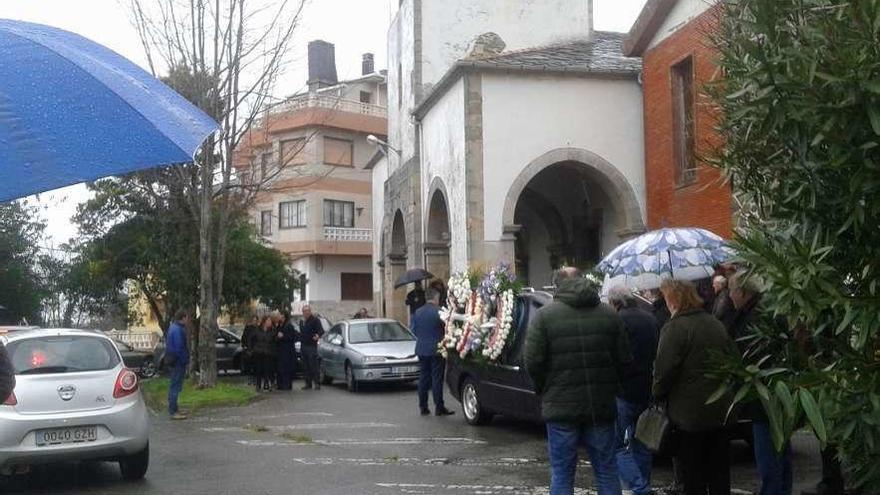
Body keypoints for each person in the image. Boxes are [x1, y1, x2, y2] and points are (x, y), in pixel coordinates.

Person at [524, 267, 632, 495]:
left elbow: (532, 361)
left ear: (557, 286)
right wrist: (612, 387)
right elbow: (624, 360)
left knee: (562, 473)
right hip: (600, 406)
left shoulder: (545, 316)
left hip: (560, 406)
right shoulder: (609, 314)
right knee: (606, 470)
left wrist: (545, 387)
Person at [653, 279, 736, 495]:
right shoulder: (714, 323)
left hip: (688, 414)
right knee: (719, 473)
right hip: (719, 408)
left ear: (672, 300)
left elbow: (663, 371)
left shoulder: (675, 328)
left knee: (692, 475)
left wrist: (657, 393)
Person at [728, 272, 793, 495]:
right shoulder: (768, 311)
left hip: (763, 396)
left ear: (743, 292)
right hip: (778, 392)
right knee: (781, 456)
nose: (730, 296)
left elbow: (750, 358)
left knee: (769, 461)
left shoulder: (753, 319)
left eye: (731, 291)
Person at [608, 286, 659, 495]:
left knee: (617, 445)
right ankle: (643, 483)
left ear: (615, 303)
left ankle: (640, 487)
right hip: (647, 389)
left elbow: (614, 357)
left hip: (623, 391)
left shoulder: (618, 322)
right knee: (642, 443)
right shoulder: (650, 318)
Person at [412, 288, 454, 416]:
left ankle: (423, 407)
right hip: (437, 349)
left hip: (421, 348)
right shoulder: (440, 311)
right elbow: (447, 329)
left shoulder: (417, 312)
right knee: (437, 378)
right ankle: (439, 407)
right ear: (436, 298)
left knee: (423, 378)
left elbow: (413, 330)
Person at [165, 309, 191, 420]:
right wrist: (185, 359)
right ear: (183, 317)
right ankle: (173, 411)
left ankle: (175, 408)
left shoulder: (173, 327)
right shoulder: (178, 330)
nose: (188, 320)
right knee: (175, 386)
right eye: (187, 318)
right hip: (177, 362)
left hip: (173, 360)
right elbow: (179, 347)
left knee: (175, 385)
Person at [299, 305, 324, 390]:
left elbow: (321, 330)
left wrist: (317, 336)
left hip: (311, 346)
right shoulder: (302, 321)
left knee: (313, 365)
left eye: (307, 311)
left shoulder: (315, 320)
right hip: (303, 345)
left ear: (310, 311)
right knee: (305, 366)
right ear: (302, 312)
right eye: (304, 311)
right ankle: (308, 383)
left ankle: (317, 383)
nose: (306, 312)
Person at [251, 316, 275, 392]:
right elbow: (251, 339)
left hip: (268, 352)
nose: (270, 323)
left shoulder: (272, 331)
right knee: (259, 369)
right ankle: (258, 384)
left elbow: (274, 341)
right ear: (264, 322)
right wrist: (253, 348)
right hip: (258, 352)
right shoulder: (257, 330)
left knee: (267, 369)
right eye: (268, 321)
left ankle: (266, 383)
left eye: (270, 321)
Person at [276, 310, 298, 391]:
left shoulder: (289, 326)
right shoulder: (279, 326)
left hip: (287, 351)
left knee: (287, 369)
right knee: (280, 368)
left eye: (279, 315)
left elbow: (293, 337)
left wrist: (283, 336)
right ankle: (280, 384)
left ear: (283, 316)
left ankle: (287, 385)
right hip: (280, 351)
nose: (278, 316)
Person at [241, 315, 260, 384]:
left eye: (256, 320)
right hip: (249, 349)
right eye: (253, 320)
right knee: (249, 365)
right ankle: (249, 379)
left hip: (256, 349)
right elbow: (244, 338)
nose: (255, 322)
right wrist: (244, 346)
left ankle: (255, 379)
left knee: (256, 365)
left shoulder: (258, 328)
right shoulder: (248, 328)